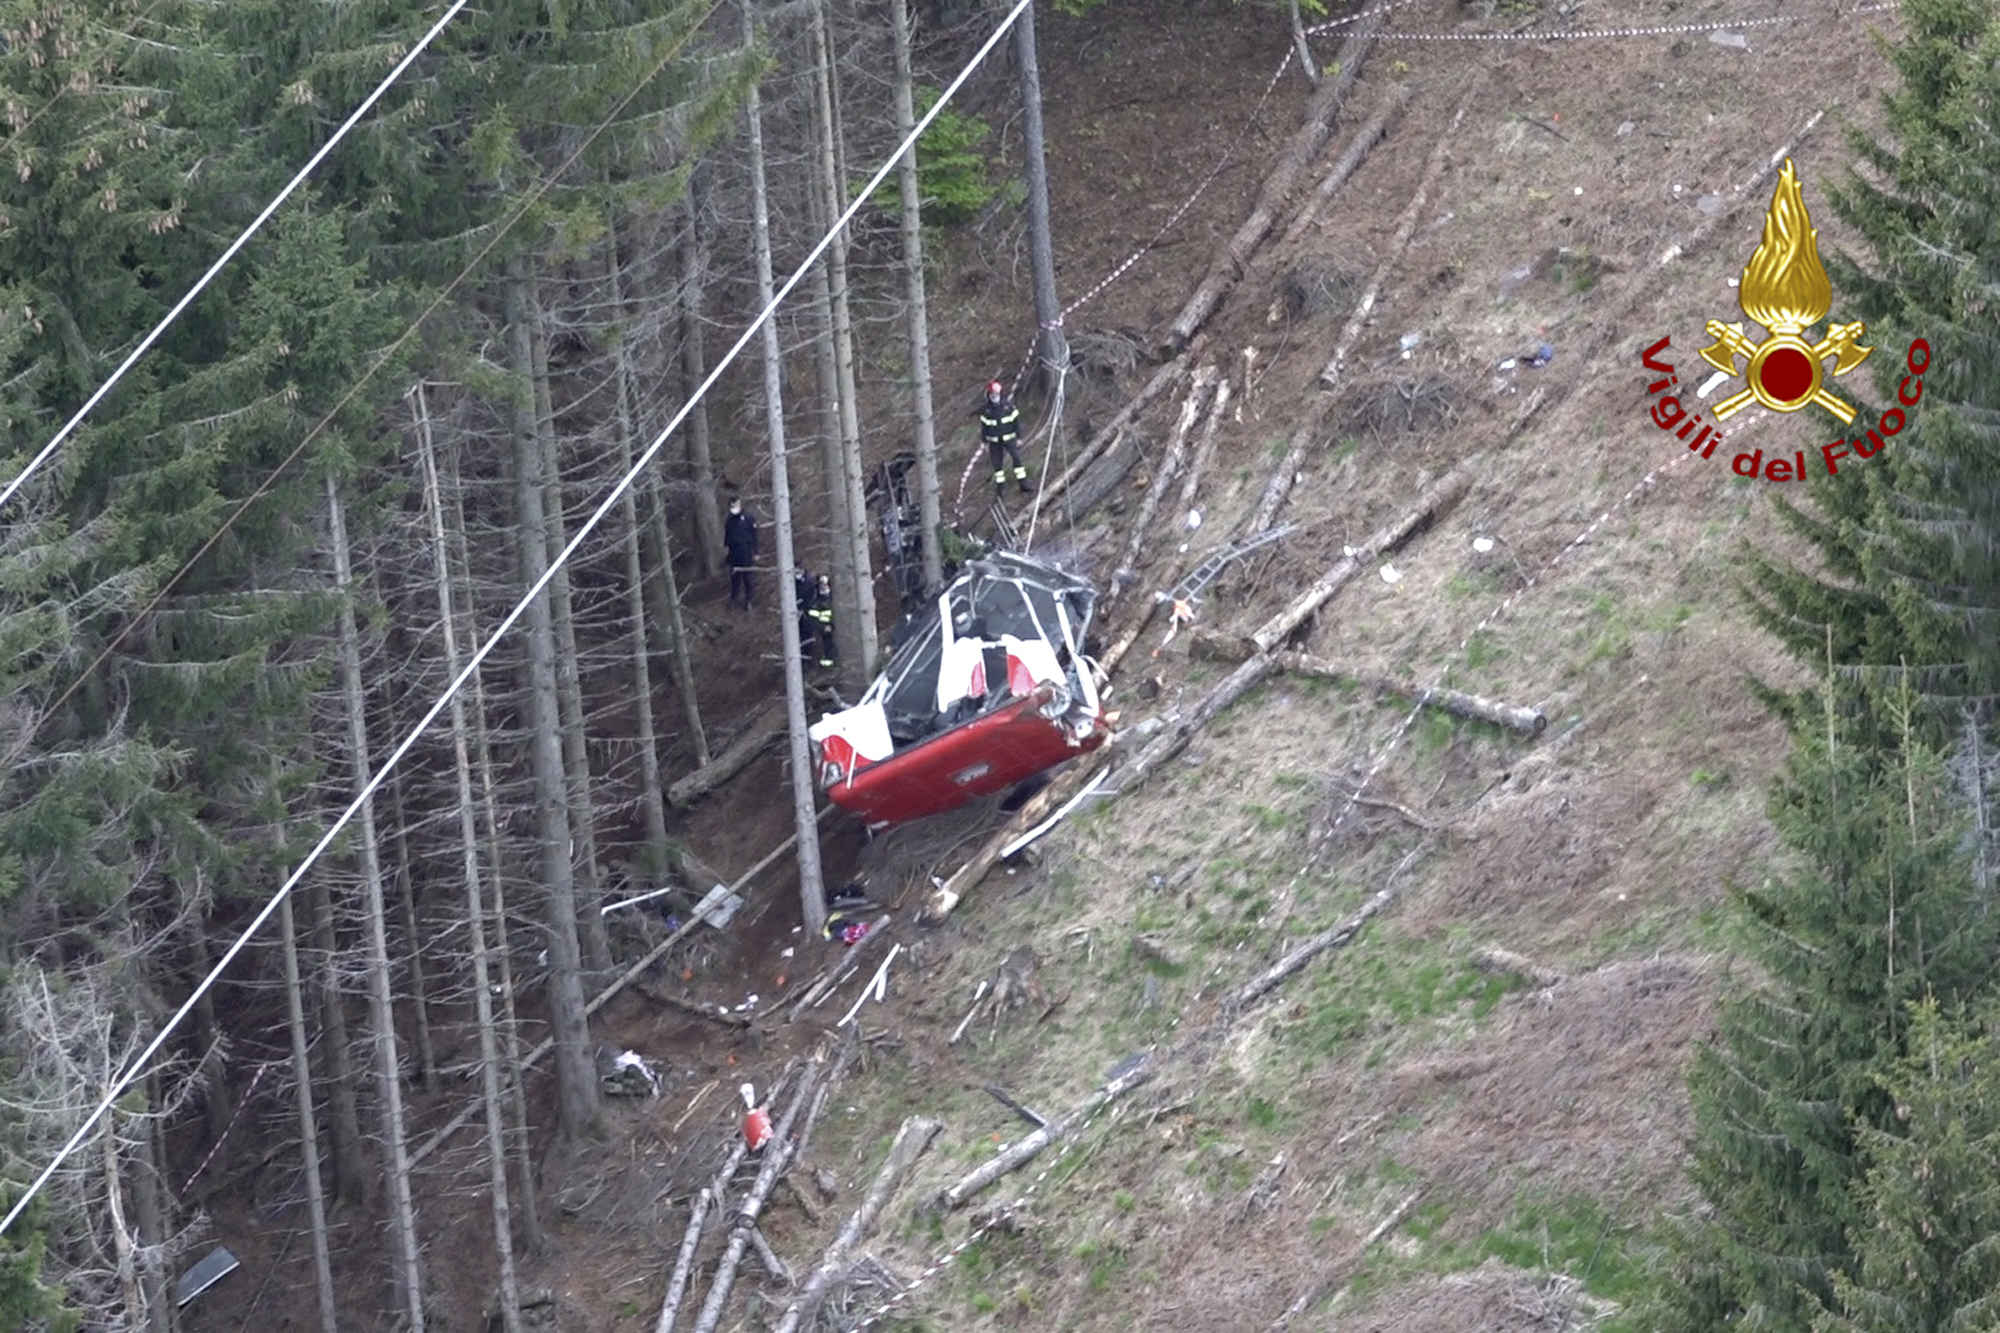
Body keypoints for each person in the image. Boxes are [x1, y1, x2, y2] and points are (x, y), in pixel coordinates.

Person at [979, 379, 1031, 496]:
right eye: (992, 394)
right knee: (997, 466)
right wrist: (984, 442)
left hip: (1010, 440)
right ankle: (1001, 488)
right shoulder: (986, 411)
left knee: (1017, 460)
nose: (994, 396)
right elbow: (984, 428)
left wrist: (1019, 438)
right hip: (994, 442)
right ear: (989, 395)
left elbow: (1016, 423)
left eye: (996, 394)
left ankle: (1023, 483)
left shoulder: (1009, 407)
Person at [724, 497, 759, 610]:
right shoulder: (729, 519)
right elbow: (727, 536)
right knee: (735, 578)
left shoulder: (748, 518)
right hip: (734, 553)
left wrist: (756, 552)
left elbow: (755, 536)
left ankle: (749, 600)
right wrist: (726, 549)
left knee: (748, 578)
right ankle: (734, 599)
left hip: (746, 552)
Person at [808, 574, 836, 668]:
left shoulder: (835, 598)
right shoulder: (816, 602)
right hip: (824, 632)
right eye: (821, 585)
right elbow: (812, 619)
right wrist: (823, 627)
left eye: (825, 584)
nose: (823, 586)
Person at [793, 566, 816, 663]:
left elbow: (810, 597)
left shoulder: (809, 582)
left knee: (807, 635)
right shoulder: (793, 582)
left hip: (807, 613)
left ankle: (808, 658)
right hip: (796, 612)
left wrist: (804, 608)